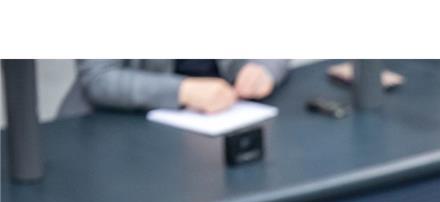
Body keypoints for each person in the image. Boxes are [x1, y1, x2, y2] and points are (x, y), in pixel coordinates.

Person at [57, 59, 289, 117]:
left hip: (221, 118)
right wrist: (183, 91)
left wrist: (264, 66)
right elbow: (99, 78)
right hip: (117, 128)